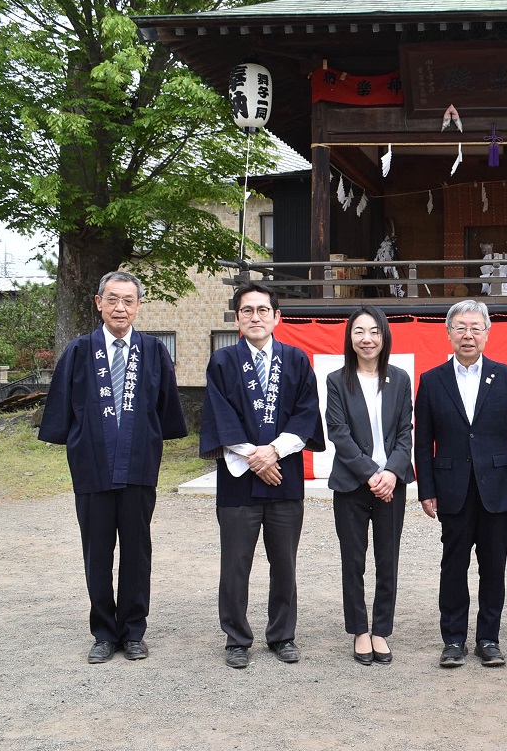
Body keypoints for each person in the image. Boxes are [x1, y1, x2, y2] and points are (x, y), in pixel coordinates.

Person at [39, 271, 187, 664]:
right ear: (98, 302)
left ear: (138, 306)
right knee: (97, 552)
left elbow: (165, 410)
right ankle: (104, 631)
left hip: (138, 467)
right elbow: (61, 411)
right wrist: (77, 444)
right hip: (92, 468)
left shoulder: (154, 351)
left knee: (138, 551)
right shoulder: (78, 351)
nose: (120, 307)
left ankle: (134, 630)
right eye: (113, 299)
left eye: (128, 300)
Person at [199, 282, 325, 669]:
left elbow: (305, 411)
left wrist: (274, 452)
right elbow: (220, 414)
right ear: (237, 318)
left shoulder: (297, 359)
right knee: (235, 562)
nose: (256, 317)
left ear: (277, 317)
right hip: (238, 479)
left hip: (284, 477)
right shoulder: (222, 362)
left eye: (263, 310)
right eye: (247, 310)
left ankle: (282, 635)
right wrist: (254, 457)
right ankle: (236, 638)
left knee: (284, 562)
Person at [415, 300, 507, 668]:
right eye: (460, 328)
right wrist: (427, 490)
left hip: (497, 485)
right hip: (452, 488)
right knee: (454, 565)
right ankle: (453, 639)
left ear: (487, 333)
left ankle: (488, 639)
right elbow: (423, 441)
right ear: (448, 333)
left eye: (475, 328)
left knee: (493, 566)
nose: (468, 335)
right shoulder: (432, 380)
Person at [325, 307, 414, 666]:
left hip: (392, 483)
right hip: (352, 483)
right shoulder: (337, 380)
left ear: (384, 336)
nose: (367, 339)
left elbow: (406, 431)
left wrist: (392, 472)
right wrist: (370, 474)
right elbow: (338, 433)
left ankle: (381, 630)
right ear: (350, 337)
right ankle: (360, 630)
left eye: (374, 331)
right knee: (354, 560)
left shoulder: (400, 377)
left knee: (387, 560)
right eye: (359, 332)